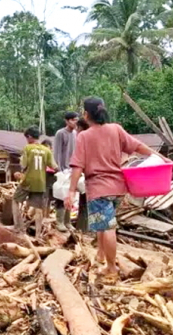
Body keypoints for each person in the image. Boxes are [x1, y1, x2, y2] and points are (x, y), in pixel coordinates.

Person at [66, 97, 159, 283]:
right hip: (118, 187)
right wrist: (159, 157)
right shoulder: (115, 129)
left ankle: (111, 267)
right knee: (103, 224)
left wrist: (71, 191)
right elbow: (137, 146)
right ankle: (101, 256)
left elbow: (77, 166)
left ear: (86, 114)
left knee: (107, 227)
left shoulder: (84, 136)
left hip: (98, 188)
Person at [15, 127, 55, 236]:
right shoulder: (46, 150)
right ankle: (38, 234)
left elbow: (23, 165)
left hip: (27, 181)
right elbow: (54, 166)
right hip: (40, 183)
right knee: (38, 208)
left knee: (15, 200)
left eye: (27, 138)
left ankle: (19, 227)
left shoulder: (28, 148)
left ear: (29, 137)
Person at [52, 111, 84, 230]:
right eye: (72, 120)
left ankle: (67, 221)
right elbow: (57, 152)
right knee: (61, 195)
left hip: (72, 169)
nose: (75, 122)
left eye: (76, 120)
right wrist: (59, 169)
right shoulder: (60, 133)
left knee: (70, 195)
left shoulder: (76, 133)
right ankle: (59, 221)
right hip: (63, 169)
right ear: (67, 121)